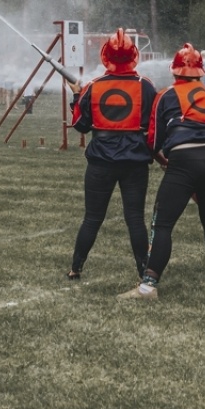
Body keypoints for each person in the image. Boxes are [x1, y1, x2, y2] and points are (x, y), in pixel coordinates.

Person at [122, 44, 205, 300]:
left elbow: (153, 138)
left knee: (163, 223)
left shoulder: (167, 95)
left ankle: (147, 287)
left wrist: (158, 157)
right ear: (200, 73)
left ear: (175, 71)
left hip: (184, 160)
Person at [68, 30, 159, 282]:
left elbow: (80, 125)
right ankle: (143, 273)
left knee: (92, 218)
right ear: (133, 56)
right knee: (135, 220)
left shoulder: (93, 86)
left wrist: (76, 96)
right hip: (135, 163)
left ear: (105, 56)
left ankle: (76, 268)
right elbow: (154, 123)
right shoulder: (145, 85)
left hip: (100, 162)